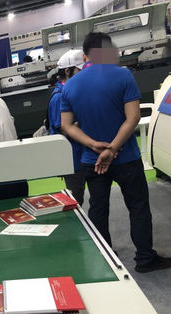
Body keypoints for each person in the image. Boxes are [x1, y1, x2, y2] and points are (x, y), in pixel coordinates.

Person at [60, 32, 170, 272]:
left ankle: (105, 258)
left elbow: (66, 126)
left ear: (85, 56)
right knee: (138, 207)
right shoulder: (122, 75)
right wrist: (112, 149)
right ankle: (145, 259)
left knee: (98, 209)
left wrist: (93, 145)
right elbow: (133, 117)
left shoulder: (70, 86)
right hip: (126, 157)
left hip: (93, 161)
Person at [48, 49, 85, 205]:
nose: (83, 74)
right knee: (75, 200)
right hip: (72, 160)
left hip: (82, 155)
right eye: (79, 70)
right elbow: (64, 129)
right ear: (68, 71)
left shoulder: (72, 92)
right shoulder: (59, 97)